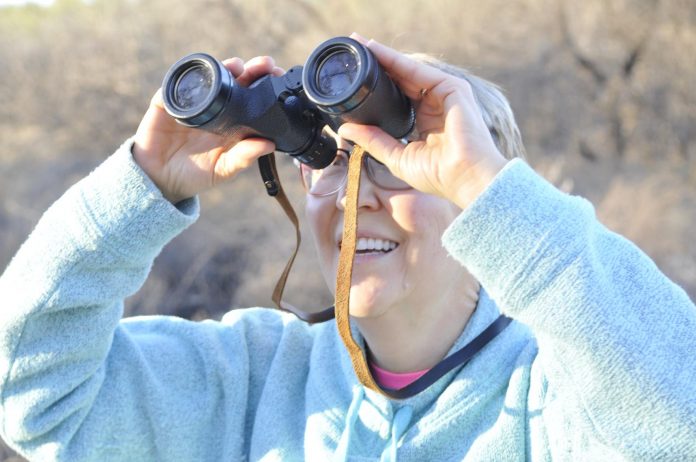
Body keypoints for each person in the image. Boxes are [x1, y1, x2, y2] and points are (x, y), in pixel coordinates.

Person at [0, 32, 694, 461]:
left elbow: (680, 420)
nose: (353, 194)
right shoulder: (251, 380)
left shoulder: (566, 396)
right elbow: (36, 397)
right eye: (330, 164)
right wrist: (139, 185)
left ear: (487, 203)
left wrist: (489, 185)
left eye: (394, 163)